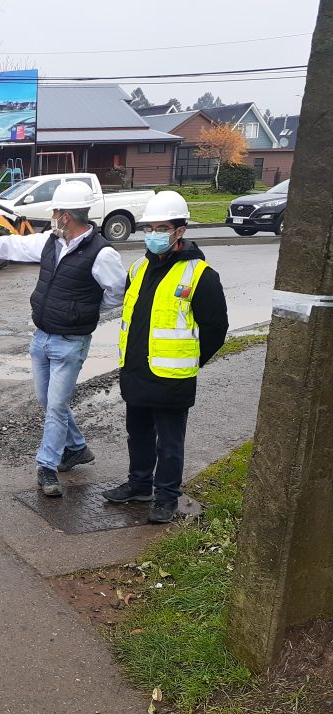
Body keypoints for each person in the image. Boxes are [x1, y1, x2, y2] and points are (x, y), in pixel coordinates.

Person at [0, 181, 126, 498]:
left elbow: (116, 295)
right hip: (41, 338)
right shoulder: (50, 242)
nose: (52, 216)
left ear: (66, 216)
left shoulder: (102, 254)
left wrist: (82, 311)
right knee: (48, 402)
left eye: (56, 211)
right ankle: (77, 448)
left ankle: (46, 466)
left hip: (71, 343)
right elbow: (11, 246)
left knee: (56, 406)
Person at [103, 191, 229, 523]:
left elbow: (216, 328)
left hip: (172, 378)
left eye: (162, 227)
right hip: (137, 372)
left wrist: (189, 360)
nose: (154, 234)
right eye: (150, 228)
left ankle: (167, 497)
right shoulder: (139, 268)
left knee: (170, 444)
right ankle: (140, 484)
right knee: (139, 434)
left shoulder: (201, 276)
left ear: (180, 231)